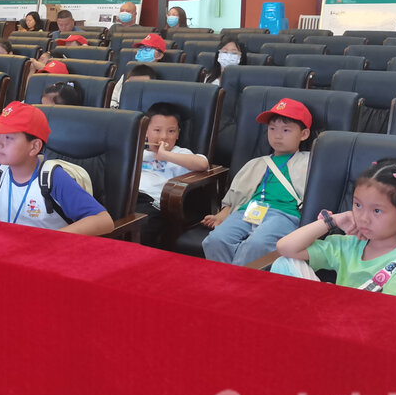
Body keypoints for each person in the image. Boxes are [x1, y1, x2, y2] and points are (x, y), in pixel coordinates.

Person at [273, 159, 396, 301]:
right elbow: (286, 248)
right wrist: (332, 220)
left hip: (368, 322)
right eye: (358, 205)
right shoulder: (352, 243)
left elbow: (393, 316)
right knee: (285, 263)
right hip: (330, 313)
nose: (363, 218)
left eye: (377, 211)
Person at [0, 102, 113, 235]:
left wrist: (52, 239)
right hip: (8, 248)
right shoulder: (0, 171)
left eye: (8, 137)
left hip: (47, 254)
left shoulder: (53, 178)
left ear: (34, 147)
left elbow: (103, 220)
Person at [202, 98, 313, 266]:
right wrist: (222, 214)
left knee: (257, 244)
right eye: (272, 129)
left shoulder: (309, 162)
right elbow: (237, 194)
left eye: (286, 130)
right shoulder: (255, 164)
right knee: (215, 240)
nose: (277, 135)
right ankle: (227, 278)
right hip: (247, 211)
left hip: (284, 214)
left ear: (304, 134)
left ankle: (235, 280)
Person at [137, 102, 210, 247]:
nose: (164, 137)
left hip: (152, 203)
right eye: (157, 130)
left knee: (141, 230)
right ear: (145, 132)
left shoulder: (180, 153)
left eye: (171, 131)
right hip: (128, 198)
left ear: (178, 134)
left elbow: (203, 164)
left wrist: (166, 155)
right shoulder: (136, 151)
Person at [110, 33, 166, 108]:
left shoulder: (164, 78)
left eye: (147, 48)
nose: (142, 51)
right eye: (141, 48)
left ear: (160, 55)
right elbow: (113, 100)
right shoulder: (127, 74)